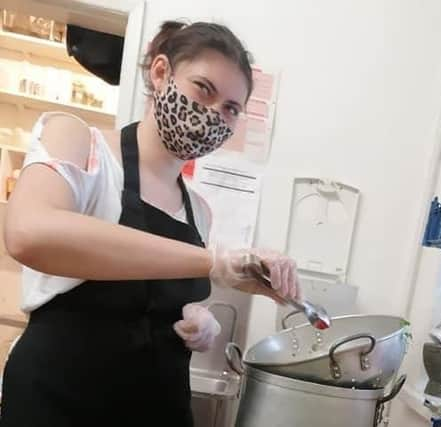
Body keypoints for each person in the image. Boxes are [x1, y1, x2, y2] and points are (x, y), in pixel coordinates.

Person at [0, 21, 299, 427]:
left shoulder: (199, 210)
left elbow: (155, 295)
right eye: (203, 89)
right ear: (161, 73)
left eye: (230, 108)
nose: (212, 115)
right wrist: (212, 262)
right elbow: (29, 233)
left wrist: (199, 320)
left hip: (155, 408)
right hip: (59, 402)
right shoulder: (78, 142)